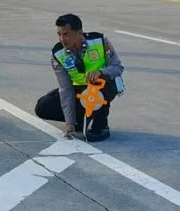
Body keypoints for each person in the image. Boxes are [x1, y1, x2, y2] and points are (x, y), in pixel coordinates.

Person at [34, 13, 124, 142]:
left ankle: (101, 126)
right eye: (59, 34)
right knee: (42, 107)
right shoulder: (58, 54)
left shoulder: (100, 41)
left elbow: (118, 68)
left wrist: (100, 71)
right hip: (79, 90)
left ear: (79, 32)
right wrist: (70, 122)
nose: (61, 38)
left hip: (102, 85)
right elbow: (66, 89)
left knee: (99, 86)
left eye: (65, 34)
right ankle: (79, 119)